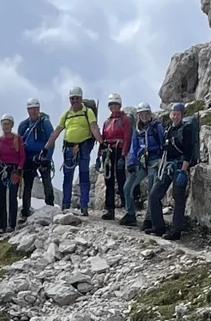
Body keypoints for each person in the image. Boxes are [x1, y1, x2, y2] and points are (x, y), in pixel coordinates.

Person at [158, 100, 200, 239]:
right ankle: (158, 226)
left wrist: (183, 171)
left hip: (180, 167)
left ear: (181, 115)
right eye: (173, 114)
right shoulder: (169, 130)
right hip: (169, 166)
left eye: (178, 114)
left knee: (178, 197)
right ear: (170, 114)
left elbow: (188, 152)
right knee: (154, 194)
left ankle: (176, 231)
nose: (175, 116)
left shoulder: (186, 129)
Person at [58, 85, 98, 216]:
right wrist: (47, 147)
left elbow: (94, 128)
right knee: (68, 177)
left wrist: (102, 143)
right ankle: (65, 205)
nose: (74, 100)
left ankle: (84, 206)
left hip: (84, 146)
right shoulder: (66, 114)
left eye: (76, 98)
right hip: (69, 147)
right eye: (72, 98)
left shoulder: (88, 112)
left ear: (81, 98)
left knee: (83, 177)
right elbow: (57, 131)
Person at [96, 94, 132, 221]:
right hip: (108, 151)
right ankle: (110, 209)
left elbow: (127, 138)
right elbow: (103, 138)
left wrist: (123, 155)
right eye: (111, 105)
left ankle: (128, 209)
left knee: (122, 180)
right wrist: (99, 154)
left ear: (119, 105)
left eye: (115, 105)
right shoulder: (107, 122)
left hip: (118, 150)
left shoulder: (125, 120)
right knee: (109, 181)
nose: (113, 107)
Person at [126, 106, 162, 227]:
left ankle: (150, 218)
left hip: (154, 161)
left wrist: (162, 161)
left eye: (146, 114)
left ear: (150, 114)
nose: (144, 117)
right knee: (128, 187)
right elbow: (133, 147)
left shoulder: (157, 127)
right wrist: (131, 162)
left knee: (152, 188)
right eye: (141, 114)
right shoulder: (137, 130)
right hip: (141, 162)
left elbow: (163, 144)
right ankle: (130, 214)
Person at [19, 99, 55, 216]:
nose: (33, 111)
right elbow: (19, 143)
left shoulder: (45, 122)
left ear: (38, 109)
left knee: (46, 181)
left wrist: (47, 158)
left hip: (42, 155)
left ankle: (50, 206)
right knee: (27, 184)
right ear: (28, 110)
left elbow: (52, 139)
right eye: (31, 109)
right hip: (28, 157)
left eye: (35, 109)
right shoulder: (24, 125)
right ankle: (25, 210)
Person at [0, 115, 25, 230]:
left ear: (12, 125)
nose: (6, 126)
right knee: (1, 198)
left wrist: (19, 170)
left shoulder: (17, 139)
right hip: (1, 169)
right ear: (1, 125)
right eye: (4, 124)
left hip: (14, 170)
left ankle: (11, 225)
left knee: (12, 196)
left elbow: (22, 156)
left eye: (8, 124)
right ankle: (3, 226)